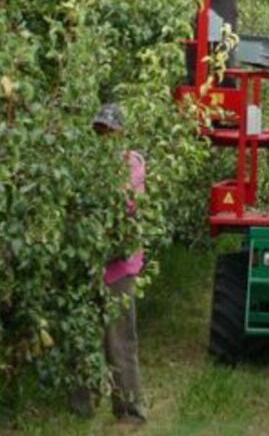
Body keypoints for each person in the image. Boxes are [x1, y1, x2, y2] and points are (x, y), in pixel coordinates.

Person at [70, 104, 147, 423]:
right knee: (82, 337)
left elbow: (125, 206)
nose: (103, 137)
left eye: (108, 131)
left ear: (121, 133)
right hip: (88, 265)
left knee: (119, 341)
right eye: (99, 131)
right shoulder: (87, 164)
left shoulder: (132, 165)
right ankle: (79, 410)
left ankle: (129, 410)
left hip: (118, 269)